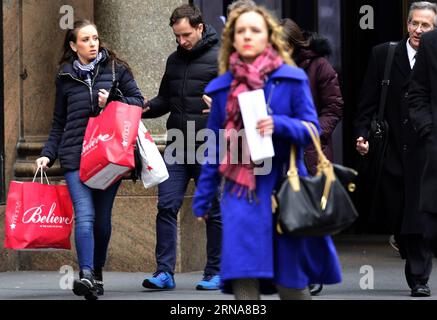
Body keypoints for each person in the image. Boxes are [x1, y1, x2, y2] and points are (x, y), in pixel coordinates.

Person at [192, 4, 342, 300]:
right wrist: (204, 196)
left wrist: (280, 124)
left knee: (290, 281)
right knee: (243, 276)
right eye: (240, 31)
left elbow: (312, 129)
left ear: (268, 37)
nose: (247, 35)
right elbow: (214, 145)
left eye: (255, 30)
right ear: (232, 39)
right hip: (240, 194)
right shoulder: (222, 88)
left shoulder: (292, 79)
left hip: (285, 189)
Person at [35, 20, 144, 300]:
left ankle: (96, 271)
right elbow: (59, 121)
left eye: (95, 38)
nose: (93, 43)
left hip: (109, 156)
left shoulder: (116, 69)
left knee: (102, 222)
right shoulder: (65, 76)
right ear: (73, 46)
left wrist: (113, 100)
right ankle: (84, 275)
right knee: (85, 215)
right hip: (75, 156)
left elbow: (138, 102)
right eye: (85, 39)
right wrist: (47, 154)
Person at [354, 2, 437, 297]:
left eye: (425, 25)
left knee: (419, 213)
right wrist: (362, 135)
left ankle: (419, 277)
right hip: (392, 151)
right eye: (415, 23)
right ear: (407, 23)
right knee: (401, 215)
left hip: (426, 152)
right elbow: (366, 101)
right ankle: (404, 242)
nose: (418, 30)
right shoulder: (384, 54)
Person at [141, 4, 222, 291]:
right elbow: (166, 99)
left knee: (213, 209)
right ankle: (164, 272)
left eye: (186, 35)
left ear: (200, 27)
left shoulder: (222, 58)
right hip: (177, 144)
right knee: (166, 205)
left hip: (208, 145)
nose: (181, 41)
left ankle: (215, 271)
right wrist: (143, 108)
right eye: (177, 36)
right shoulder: (174, 60)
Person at [280, 18, 343, 297]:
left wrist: (313, 132)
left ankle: (311, 271)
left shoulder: (319, 66)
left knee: (309, 215)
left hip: (308, 150)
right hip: (277, 152)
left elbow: (334, 107)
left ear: (293, 45)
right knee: (285, 215)